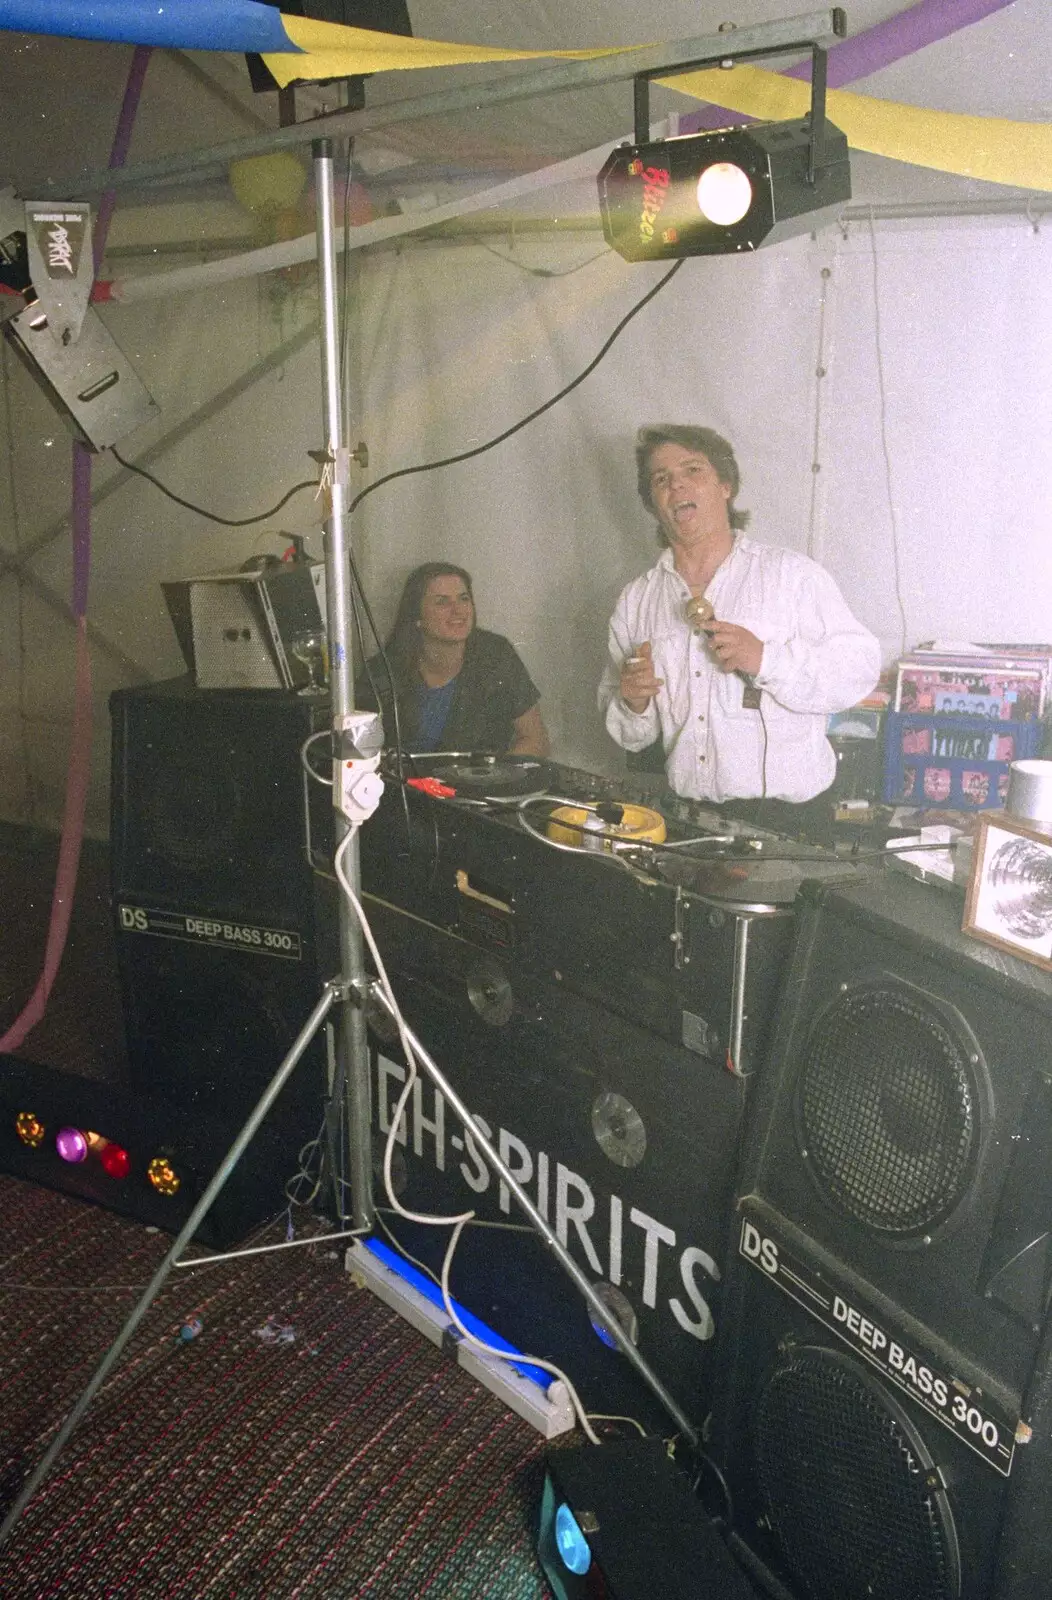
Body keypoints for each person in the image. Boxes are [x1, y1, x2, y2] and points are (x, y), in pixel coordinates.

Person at [599, 425, 881, 827]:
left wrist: (765, 659)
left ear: (725, 486)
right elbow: (632, 736)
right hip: (690, 815)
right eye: (661, 479)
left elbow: (859, 670)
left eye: (692, 470)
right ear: (653, 503)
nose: (676, 485)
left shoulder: (791, 575)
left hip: (789, 820)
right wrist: (632, 701)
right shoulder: (636, 599)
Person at [364, 561, 549, 757]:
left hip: (481, 783)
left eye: (463, 599)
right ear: (416, 616)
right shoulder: (383, 670)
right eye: (442, 602)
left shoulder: (495, 655)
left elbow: (535, 739)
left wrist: (493, 779)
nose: (458, 610)